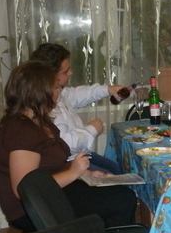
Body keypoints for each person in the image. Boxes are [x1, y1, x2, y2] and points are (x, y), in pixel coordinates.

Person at [0, 61, 137, 232]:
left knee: (118, 192)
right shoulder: (21, 129)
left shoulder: (40, 120)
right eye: (56, 87)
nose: (59, 91)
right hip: (31, 208)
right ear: (41, 93)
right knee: (121, 200)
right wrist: (74, 173)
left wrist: (87, 174)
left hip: (51, 192)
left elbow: (54, 164)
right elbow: (25, 189)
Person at [30, 43, 125, 174]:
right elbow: (64, 145)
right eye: (65, 71)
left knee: (119, 170)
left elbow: (78, 94)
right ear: (49, 76)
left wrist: (108, 89)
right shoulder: (46, 107)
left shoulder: (59, 93)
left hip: (80, 155)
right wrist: (91, 130)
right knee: (115, 178)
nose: (71, 73)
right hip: (68, 163)